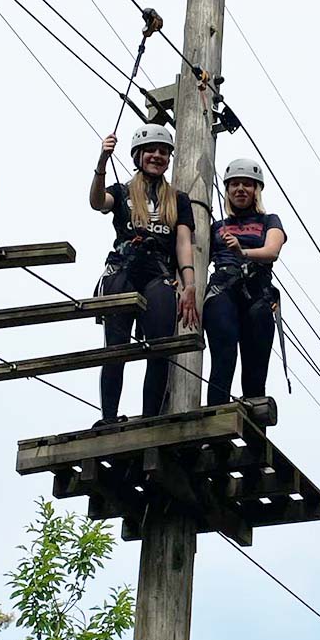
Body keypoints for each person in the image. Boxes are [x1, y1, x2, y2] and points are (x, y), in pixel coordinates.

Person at [89, 124, 199, 426]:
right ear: (138, 155)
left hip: (158, 272)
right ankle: (109, 418)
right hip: (123, 269)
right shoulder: (122, 191)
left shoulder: (178, 199)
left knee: (160, 347)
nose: (157, 156)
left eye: (163, 152)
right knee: (116, 347)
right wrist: (101, 162)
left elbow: (183, 243)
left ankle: (151, 417)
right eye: (151, 150)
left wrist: (189, 285)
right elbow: (97, 202)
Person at [203, 158, 286, 405]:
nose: (240, 189)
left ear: (256, 190)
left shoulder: (269, 221)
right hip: (222, 289)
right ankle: (214, 426)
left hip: (256, 292)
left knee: (255, 368)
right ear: (227, 191)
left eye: (247, 185)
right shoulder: (217, 227)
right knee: (223, 357)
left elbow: (272, 251)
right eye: (235, 185)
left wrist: (243, 253)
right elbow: (197, 257)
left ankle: (255, 435)